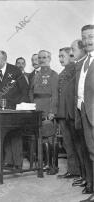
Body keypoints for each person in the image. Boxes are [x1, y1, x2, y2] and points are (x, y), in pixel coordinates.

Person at [29, 50, 59, 174]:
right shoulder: (36, 74)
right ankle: (44, 163)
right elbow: (31, 92)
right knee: (41, 138)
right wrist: (32, 106)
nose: (42, 60)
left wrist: (52, 111)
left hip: (48, 109)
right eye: (40, 58)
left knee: (50, 138)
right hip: (37, 110)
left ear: (49, 58)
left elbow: (55, 95)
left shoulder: (53, 74)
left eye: (44, 57)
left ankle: (53, 166)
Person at [69, 40, 93, 192]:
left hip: (90, 112)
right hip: (81, 111)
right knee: (87, 149)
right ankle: (90, 183)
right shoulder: (82, 64)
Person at [56, 47, 81, 179]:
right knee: (67, 143)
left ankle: (81, 173)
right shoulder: (62, 72)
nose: (60, 59)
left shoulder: (75, 70)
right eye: (59, 56)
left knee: (76, 143)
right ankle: (73, 170)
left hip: (71, 113)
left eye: (62, 56)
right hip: (62, 114)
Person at [77, 25, 94, 202]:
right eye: (85, 37)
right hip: (84, 113)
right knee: (91, 152)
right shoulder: (83, 62)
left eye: (91, 37)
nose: (88, 41)